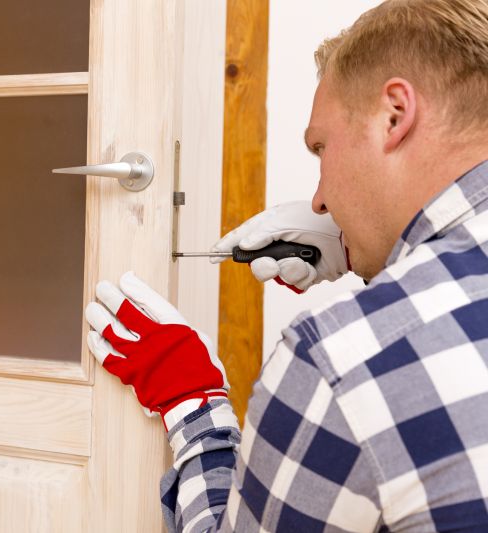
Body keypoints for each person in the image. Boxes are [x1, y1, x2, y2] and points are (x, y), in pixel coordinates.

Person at [84, 0, 488, 531]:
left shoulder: (338, 368)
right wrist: (370, 251)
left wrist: (193, 404)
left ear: (395, 114)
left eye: (320, 147)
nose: (319, 201)